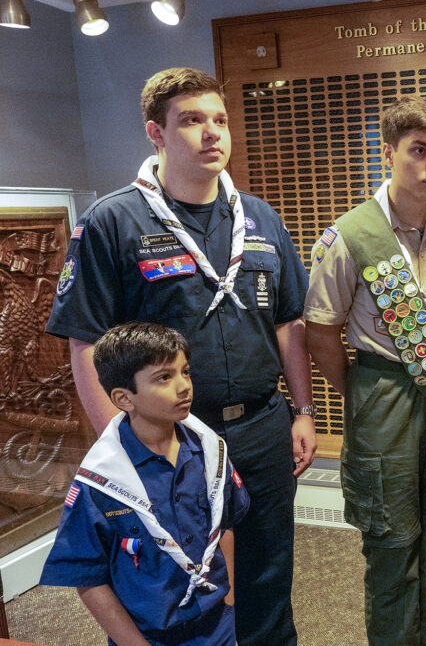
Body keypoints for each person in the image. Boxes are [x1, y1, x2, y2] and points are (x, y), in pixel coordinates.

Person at [45, 67, 314, 646]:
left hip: (262, 427)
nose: (212, 133)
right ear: (156, 133)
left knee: (268, 572)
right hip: (172, 440)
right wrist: (120, 446)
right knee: (180, 579)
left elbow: (290, 322)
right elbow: (85, 341)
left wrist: (303, 411)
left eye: (219, 119)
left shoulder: (261, 219)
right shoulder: (114, 222)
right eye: (191, 120)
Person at [304, 94, 426, 646]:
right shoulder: (348, 237)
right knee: (390, 543)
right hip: (382, 394)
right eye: (418, 151)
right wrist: (363, 390)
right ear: (389, 154)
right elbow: (320, 331)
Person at [40, 322, 250, 646]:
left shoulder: (209, 451)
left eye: (185, 371)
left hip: (216, 626)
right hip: (149, 636)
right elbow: (89, 579)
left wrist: (231, 600)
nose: (184, 387)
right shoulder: (102, 480)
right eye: (164, 377)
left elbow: (225, 524)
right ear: (124, 398)